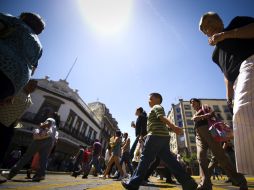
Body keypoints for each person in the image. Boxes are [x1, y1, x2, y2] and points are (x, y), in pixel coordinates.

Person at [199, 12, 254, 175]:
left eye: (208, 23)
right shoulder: (215, 54)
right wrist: (229, 98)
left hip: (250, 63)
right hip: (238, 81)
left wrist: (226, 35)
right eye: (203, 29)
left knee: (243, 113)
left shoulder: (237, 21)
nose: (207, 29)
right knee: (243, 115)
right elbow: (226, 75)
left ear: (219, 20)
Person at [122, 93, 197, 190]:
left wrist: (173, 126)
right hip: (163, 138)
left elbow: (162, 117)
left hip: (154, 137)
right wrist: (170, 128)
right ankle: (188, 182)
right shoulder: (156, 109)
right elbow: (161, 123)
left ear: (157, 99)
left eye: (150, 99)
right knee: (170, 161)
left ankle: (133, 183)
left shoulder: (156, 107)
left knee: (145, 159)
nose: (149, 101)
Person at [190, 98, 247, 190]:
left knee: (221, 158)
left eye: (194, 102)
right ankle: (205, 183)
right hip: (198, 135)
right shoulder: (194, 113)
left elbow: (212, 114)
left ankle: (240, 181)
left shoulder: (204, 107)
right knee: (200, 157)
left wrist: (200, 117)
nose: (192, 104)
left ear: (198, 102)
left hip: (209, 132)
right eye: (191, 103)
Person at [0, 12, 45, 103]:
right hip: (15, 82)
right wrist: (14, 93)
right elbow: (32, 70)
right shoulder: (39, 47)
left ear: (24, 17)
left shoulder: (14, 21)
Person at [3, 113, 59, 182]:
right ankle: (40, 175)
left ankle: (11, 173)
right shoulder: (56, 127)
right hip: (50, 142)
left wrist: (41, 125)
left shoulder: (50, 119)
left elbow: (46, 125)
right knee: (43, 160)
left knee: (27, 156)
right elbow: (54, 138)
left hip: (41, 139)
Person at [0, 79, 37, 166]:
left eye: (35, 86)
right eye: (31, 84)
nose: (33, 87)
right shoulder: (16, 90)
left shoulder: (29, 100)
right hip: (1, 119)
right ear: (26, 83)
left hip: (10, 125)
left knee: (3, 148)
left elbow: (20, 115)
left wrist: (16, 126)